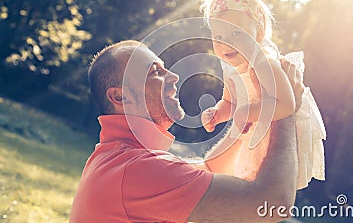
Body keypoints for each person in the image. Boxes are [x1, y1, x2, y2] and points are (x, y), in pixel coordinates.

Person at [70, 39, 303, 222]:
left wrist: (245, 122)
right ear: (119, 96)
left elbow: (209, 170)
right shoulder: (134, 170)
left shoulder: (122, 159)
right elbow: (272, 205)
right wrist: (283, 109)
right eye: (155, 72)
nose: (173, 76)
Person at [200, 0, 326, 189]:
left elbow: (287, 104)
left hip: (274, 131)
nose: (226, 44)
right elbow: (230, 101)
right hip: (253, 130)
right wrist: (217, 113)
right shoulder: (229, 67)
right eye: (219, 38)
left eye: (235, 33)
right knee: (242, 184)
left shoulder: (263, 62)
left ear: (258, 34)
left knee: (262, 185)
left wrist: (246, 112)